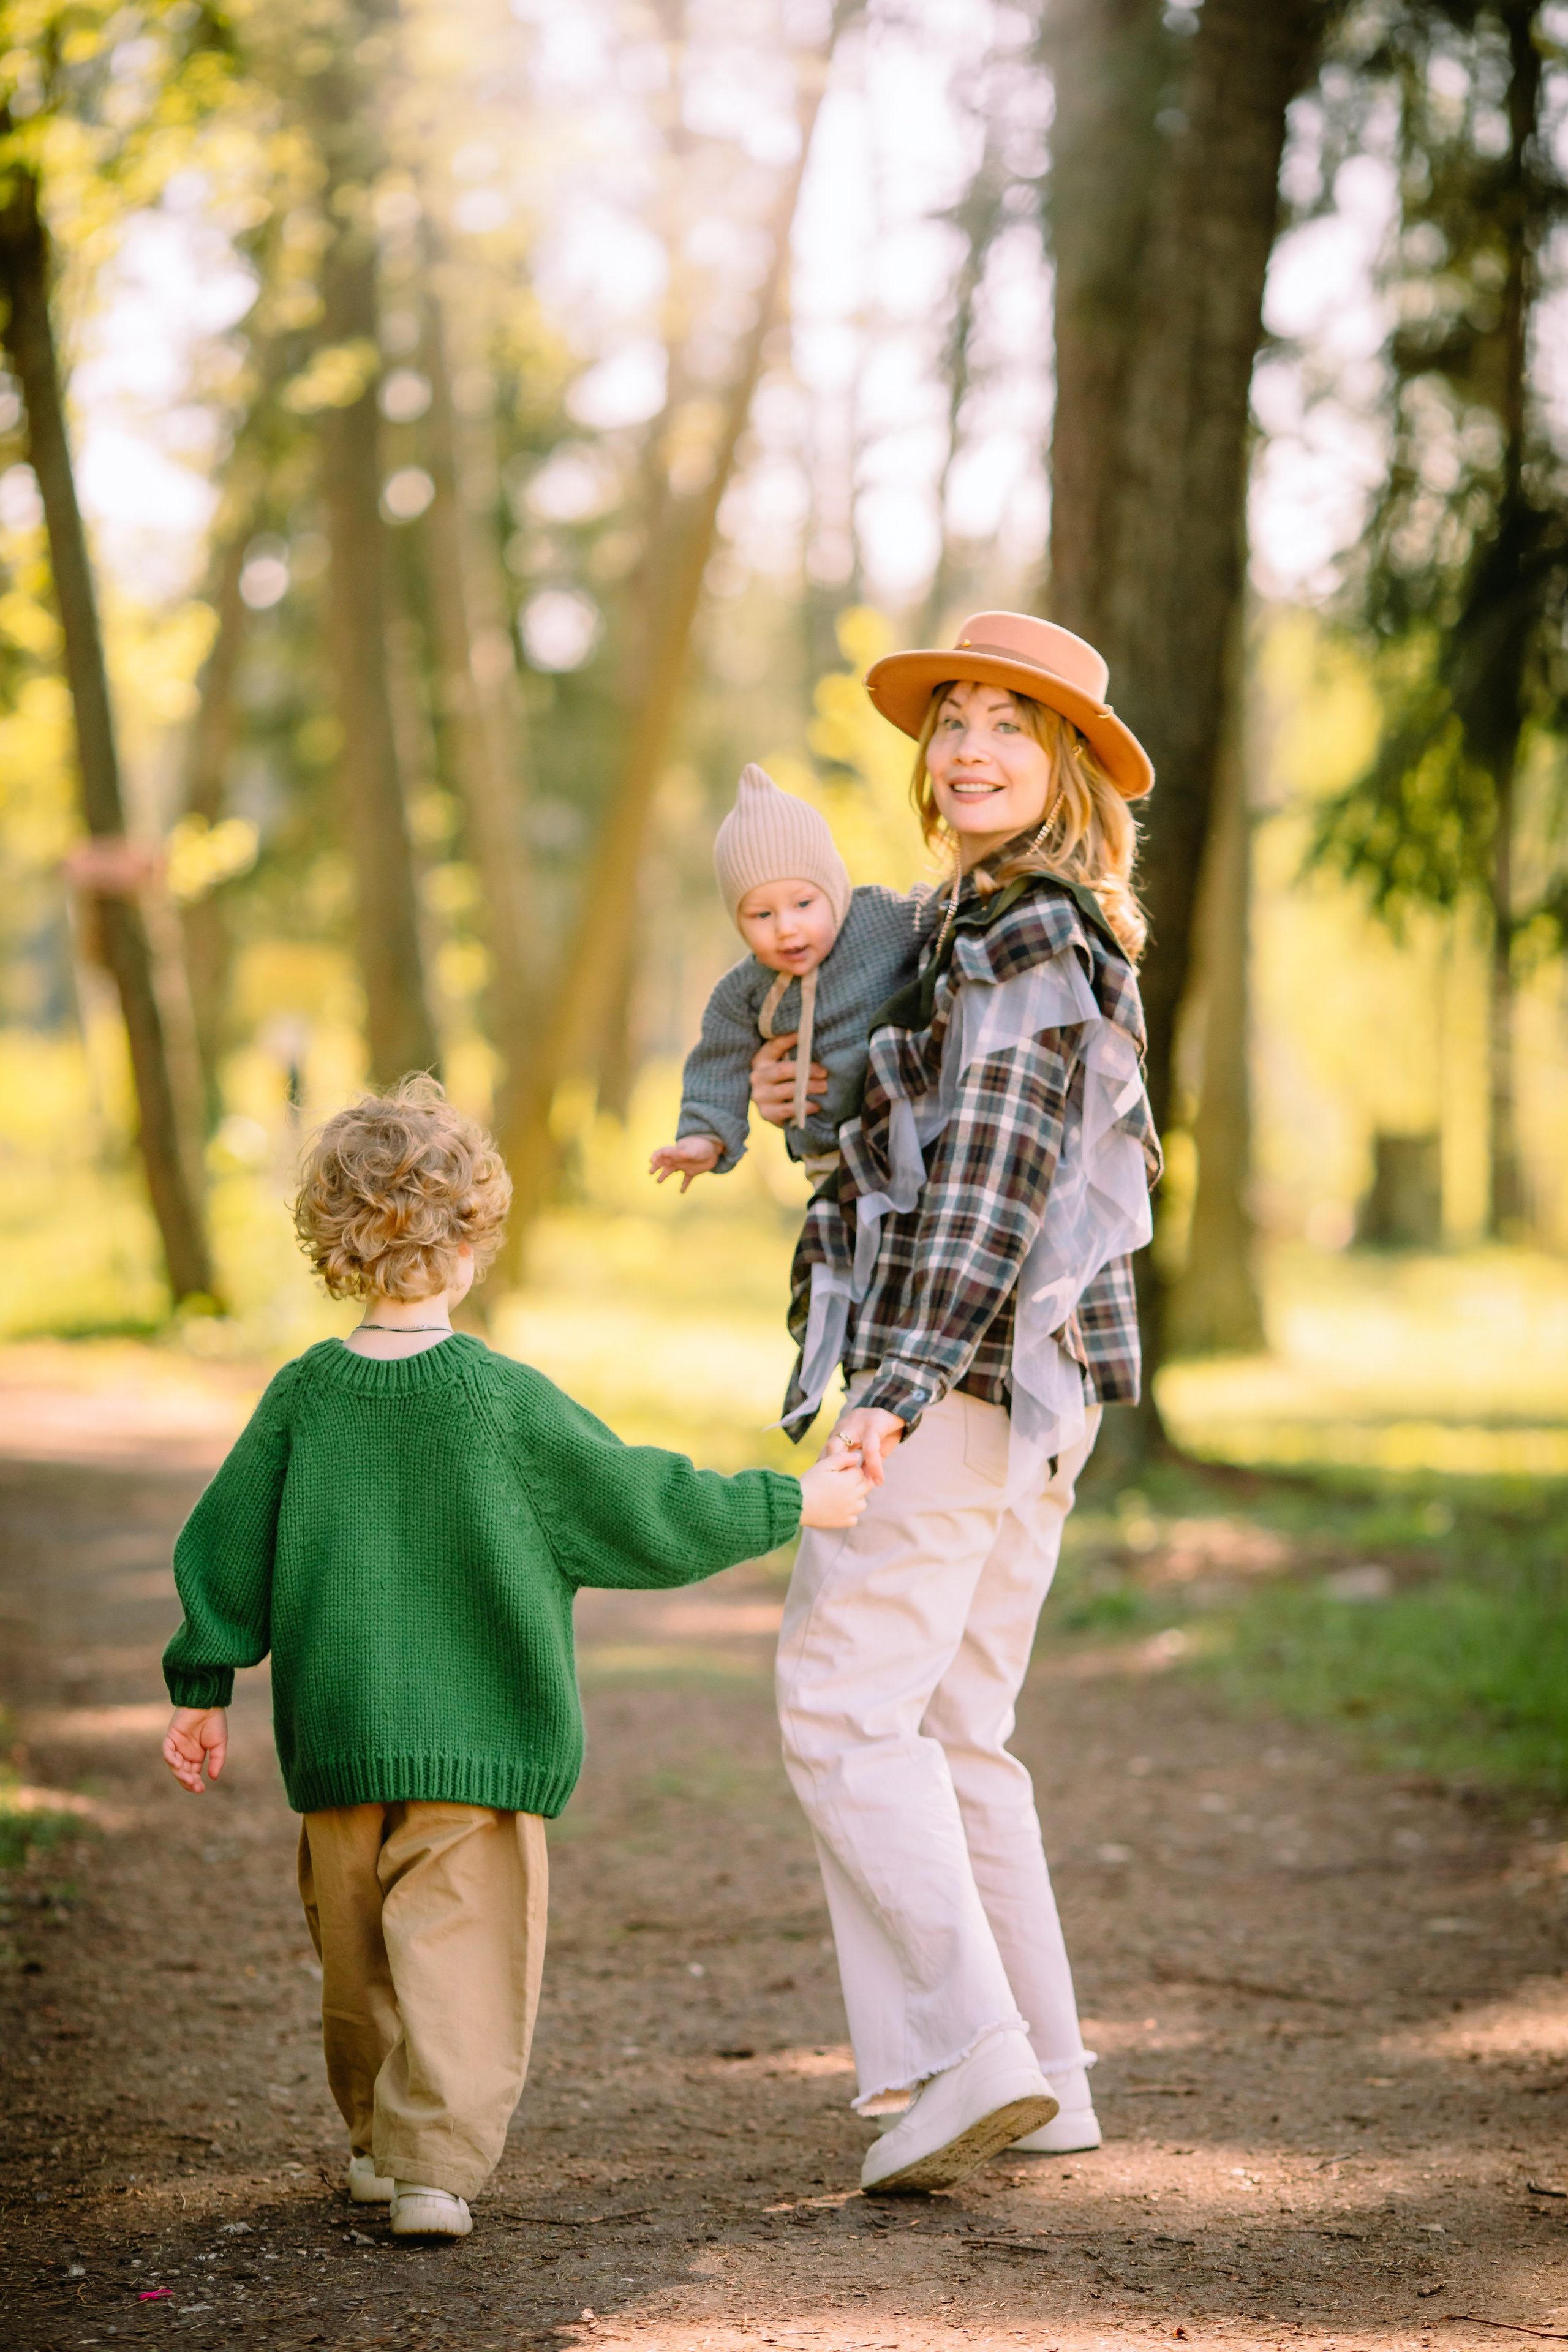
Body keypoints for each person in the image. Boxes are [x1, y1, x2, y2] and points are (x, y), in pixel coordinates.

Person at [159, 1077, 869, 2239]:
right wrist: (795, 1502)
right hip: (480, 1745)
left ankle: (376, 2144)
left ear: (332, 1245)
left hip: (338, 1739)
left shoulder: (301, 1397)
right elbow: (644, 1501)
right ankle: (432, 2164)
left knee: (354, 1962)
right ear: (475, 1239)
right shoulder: (500, 1402)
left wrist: (203, 1686)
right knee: (460, 1959)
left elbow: (222, 1548)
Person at [760, 611, 1163, 2194]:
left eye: (1011, 722)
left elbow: (993, 1183)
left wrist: (902, 1386)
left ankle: (962, 2054)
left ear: (1067, 765)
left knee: (840, 1703)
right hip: (1035, 1388)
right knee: (956, 1729)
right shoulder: (976, 923)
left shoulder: (1023, 930)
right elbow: (920, 1143)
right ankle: (1048, 2074)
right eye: (953, 722)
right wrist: (811, 1112)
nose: (972, 746)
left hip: (967, 1374)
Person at [649, 763, 925, 1196]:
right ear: (737, 920)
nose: (786, 928)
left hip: (910, 1134)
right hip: (828, 1160)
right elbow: (718, 1066)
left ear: (833, 889)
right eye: (762, 914)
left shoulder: (880, 920)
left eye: (803, 903)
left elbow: (942, 915)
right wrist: (704, 1138)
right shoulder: (743, 994)